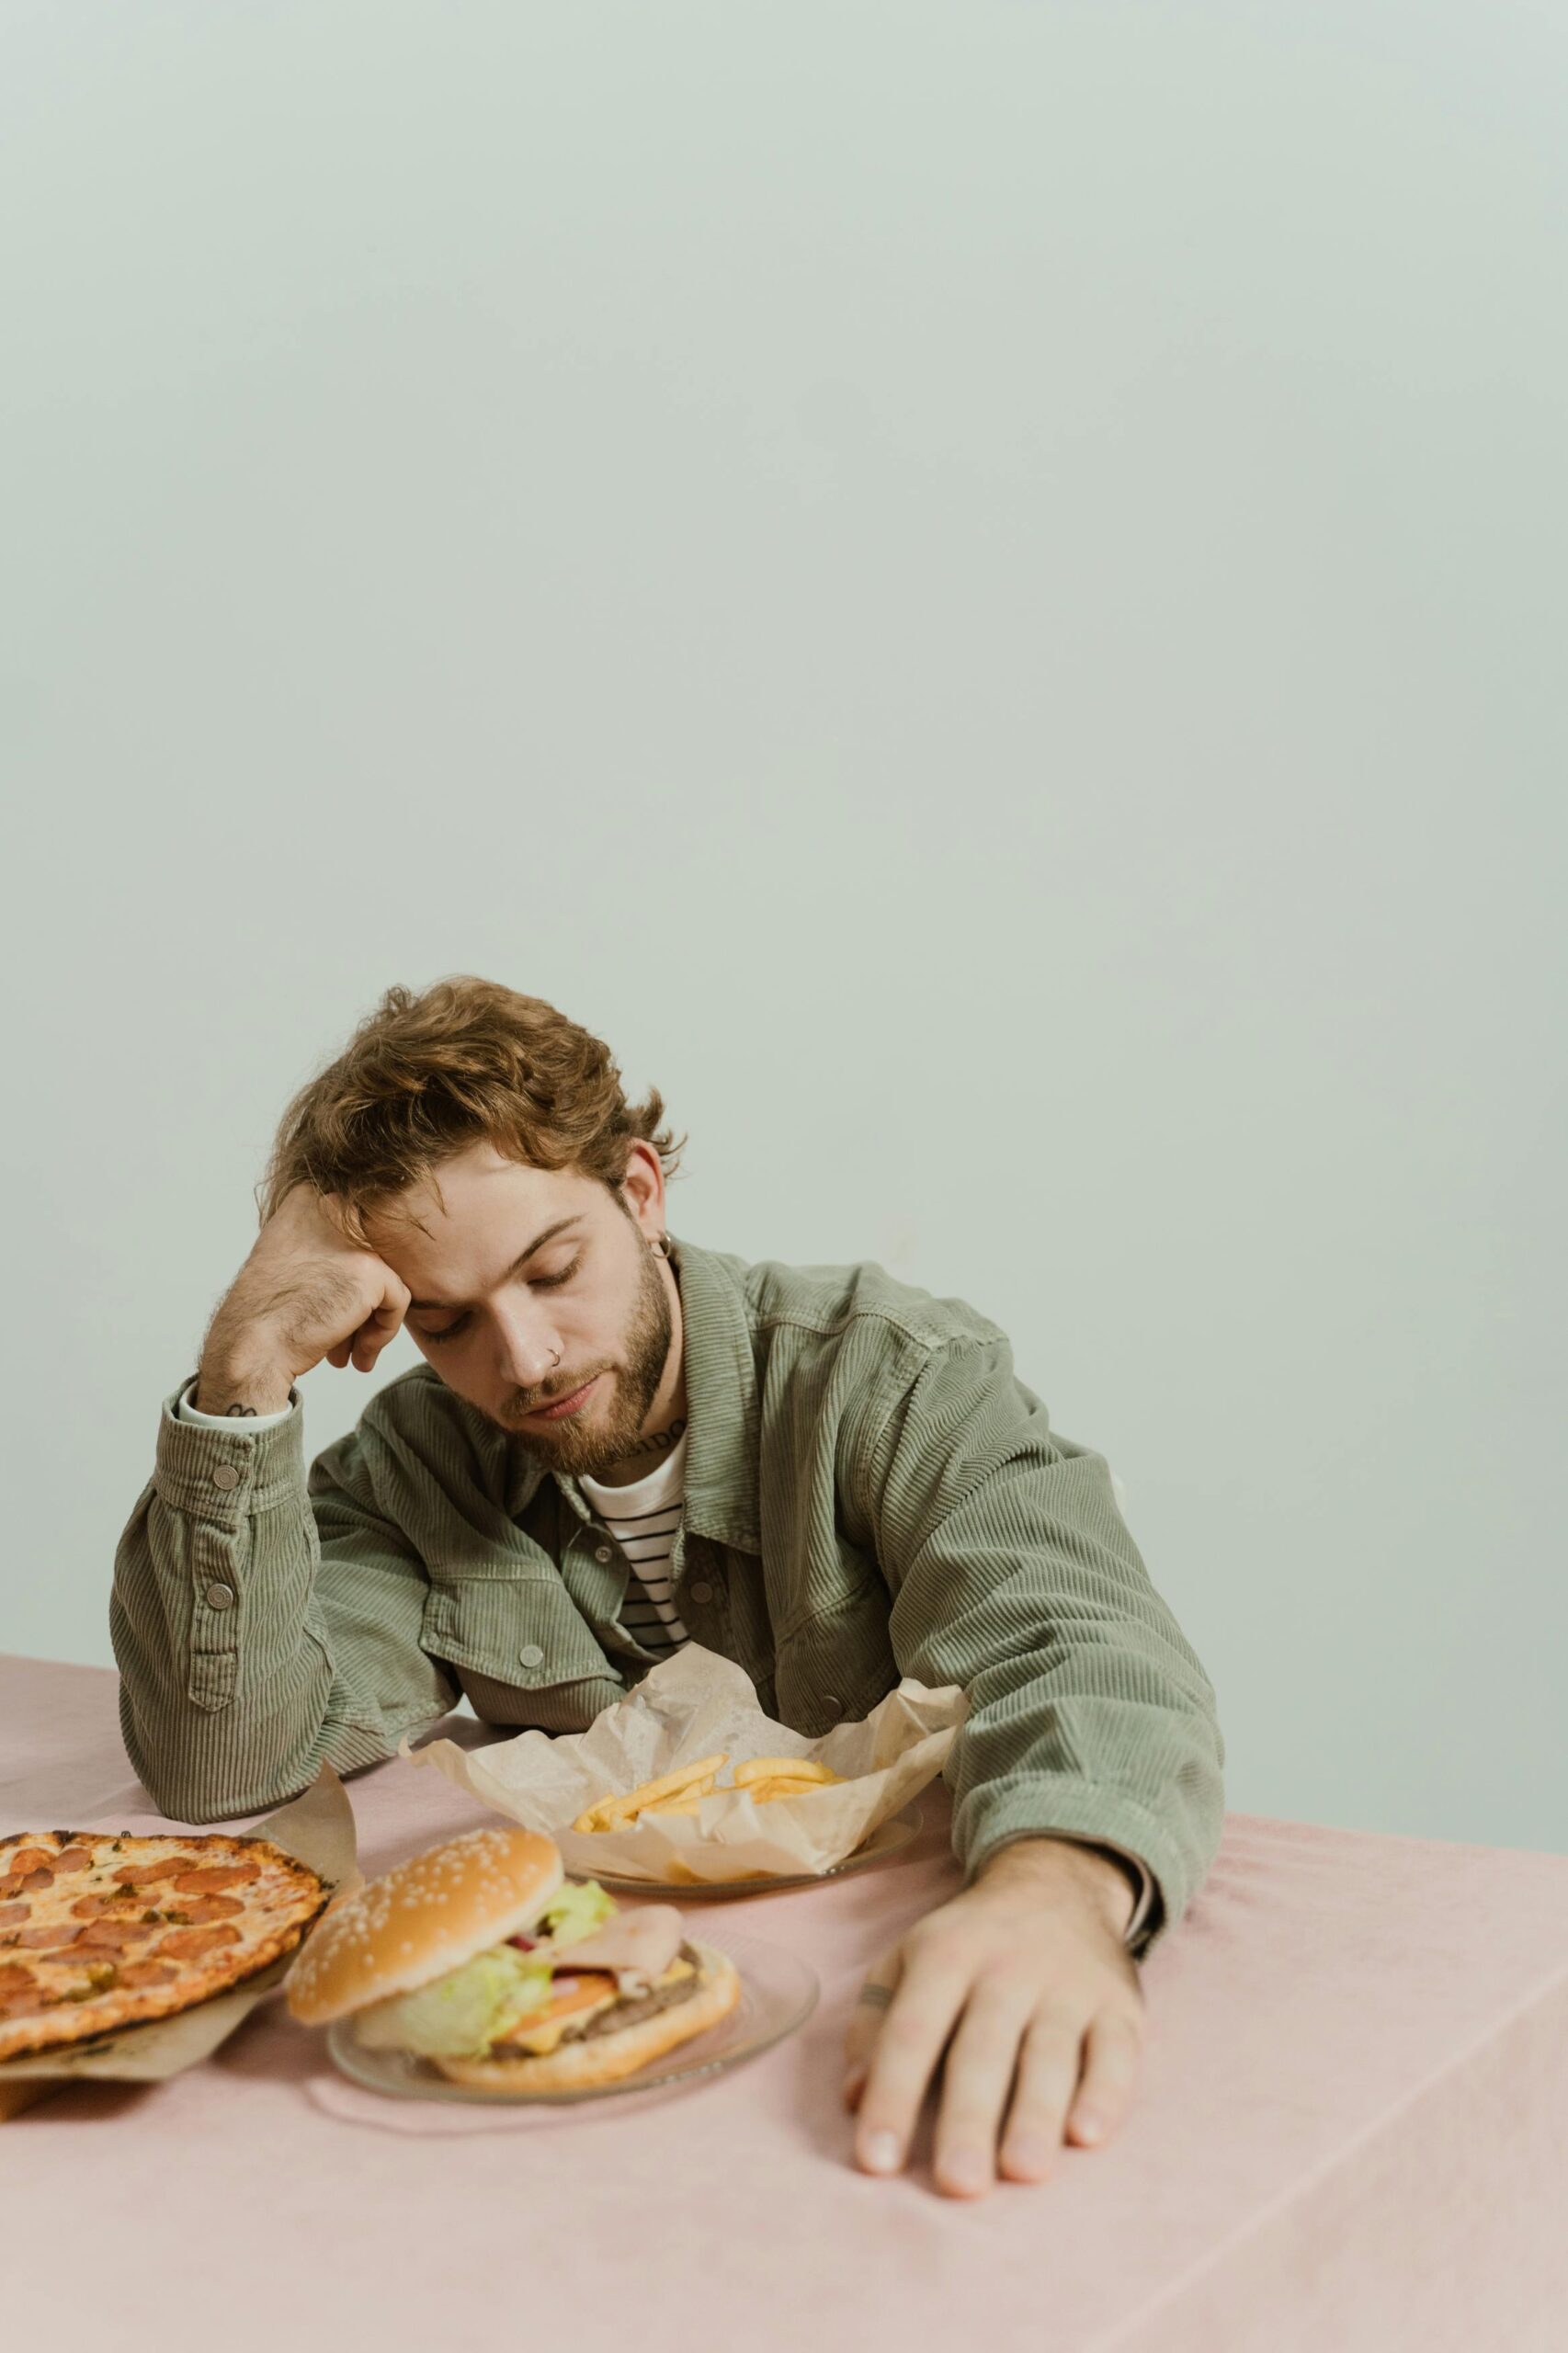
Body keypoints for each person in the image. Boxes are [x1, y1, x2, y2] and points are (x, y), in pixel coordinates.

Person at [111, 975, 1224, 2200]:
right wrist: (242, 1374)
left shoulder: (889, 1376)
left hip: (870, 2053)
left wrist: (1056, 1892)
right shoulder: (407, 1471)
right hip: (565, 2119)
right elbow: (223, 1764)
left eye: (551, 1270)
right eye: (447, 1323)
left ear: (638, 1191)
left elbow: (1076, 1644)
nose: (523, 1361)